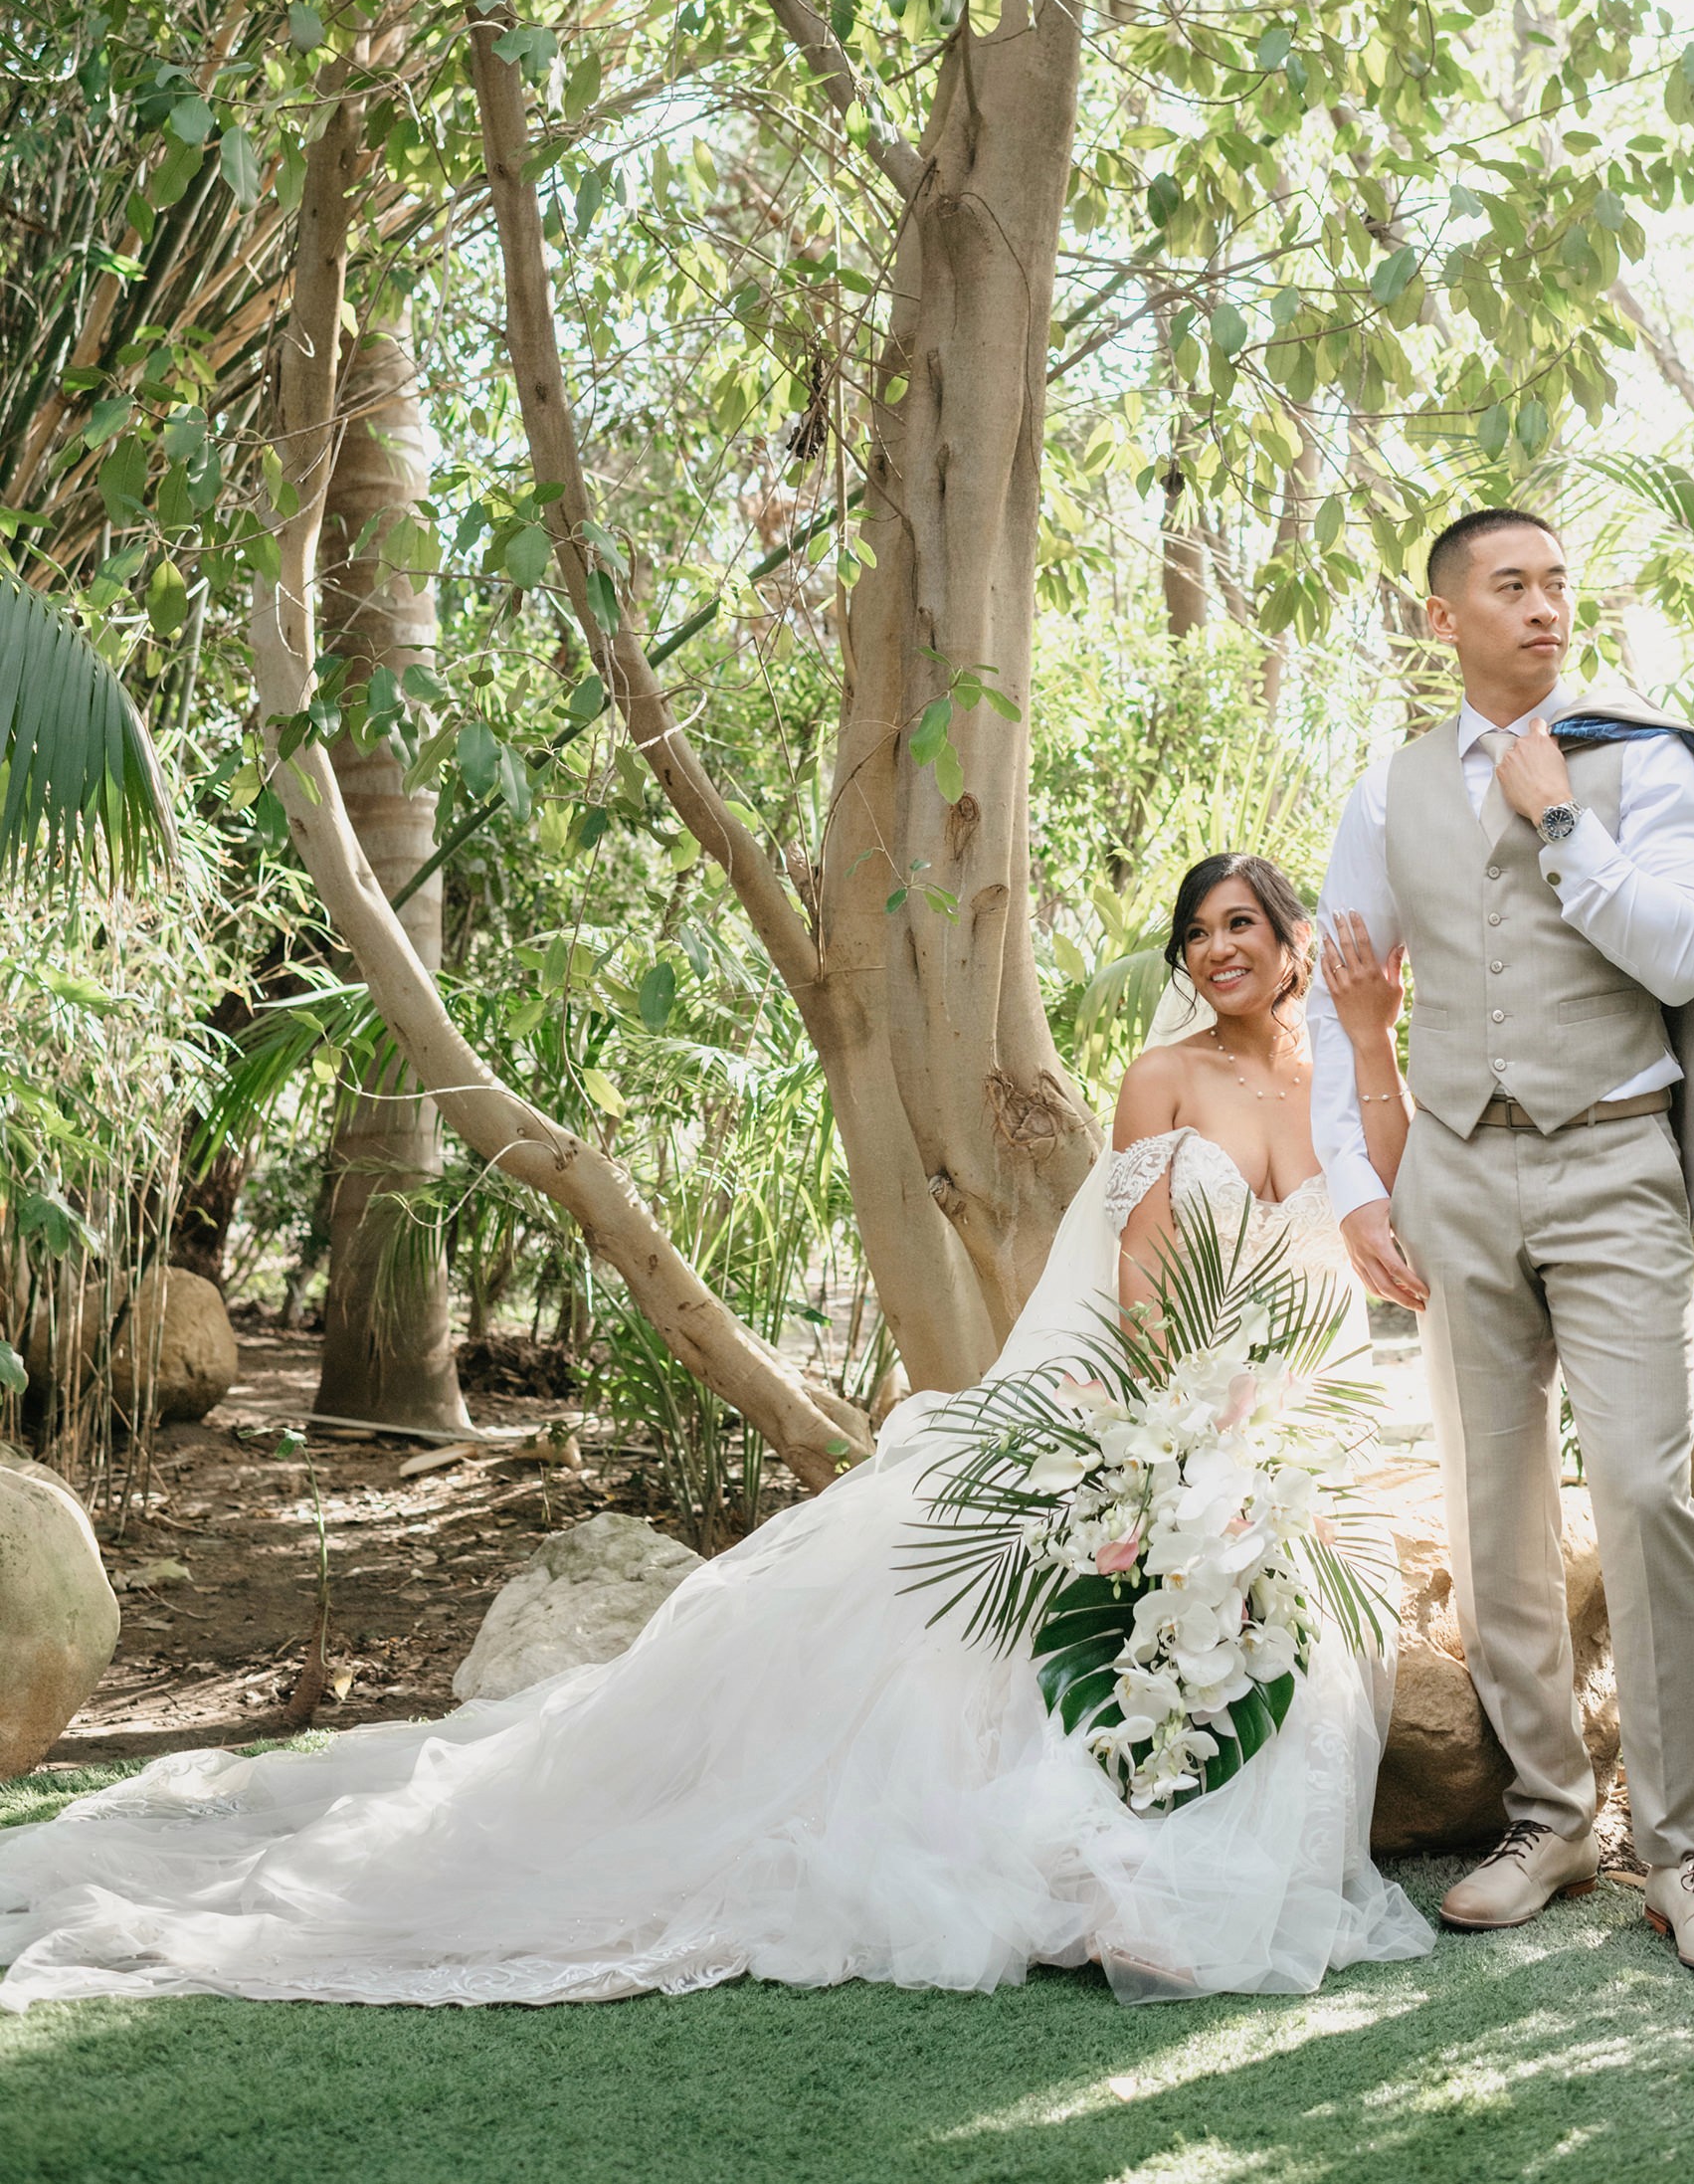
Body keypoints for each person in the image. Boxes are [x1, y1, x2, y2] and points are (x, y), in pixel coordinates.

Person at [0, 856, 1432, 2010]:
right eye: (1196, 933)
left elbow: (1371, 1211)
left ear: (1296, 938)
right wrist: (1167, 1418)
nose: (1214, 950)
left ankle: (1162, 1861)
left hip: (1274, 1412)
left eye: (1242, 924)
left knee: (1248, 1625)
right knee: (1051, 1596)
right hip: (1142, 1387)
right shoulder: (1164, 1079)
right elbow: (1142, 1260)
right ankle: (1086, 1864)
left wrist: (1363, 1048)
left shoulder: (1342, 1084)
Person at [1307, 507, 1694, 1987]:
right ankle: (1546, 1818)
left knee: (1649, 1494)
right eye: (1509, 588)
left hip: (1611, 1163)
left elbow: (1679, 951)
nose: (1543, 610)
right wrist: (1355, 1182)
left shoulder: (1644, 760)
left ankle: (1684, 1849)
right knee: (1493, 1503)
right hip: (1456, 1168)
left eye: (1556, 585)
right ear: (1442, 616)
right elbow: (1351, 998)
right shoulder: (1387, 790)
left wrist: (1558, 814)